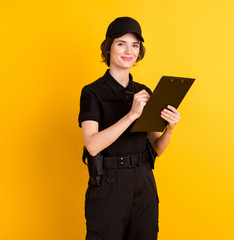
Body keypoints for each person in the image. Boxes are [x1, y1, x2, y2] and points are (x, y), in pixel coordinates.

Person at [78, 16, 181, 240]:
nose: (129, 51)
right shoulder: (92, 93)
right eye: (121, 43)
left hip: (143, 180)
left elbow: (157, 147)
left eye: (135, 45)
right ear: (108, 48)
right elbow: (92, 145)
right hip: (109, 183)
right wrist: (132, 115)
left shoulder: (144, 92)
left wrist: (170, 128)